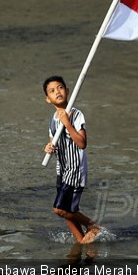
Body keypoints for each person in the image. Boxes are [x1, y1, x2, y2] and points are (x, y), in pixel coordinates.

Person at [43, 76, 100, 244]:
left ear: (67, 91)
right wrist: (48, 148)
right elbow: (53, 142)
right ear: (48, 99)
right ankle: (81, 241)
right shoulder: (53, 119)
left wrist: (67, 124)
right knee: (67, 210)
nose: (57, 92)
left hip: (75, 170)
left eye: (60, 88)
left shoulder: (76, 115)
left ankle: (94, 226)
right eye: (52, 91)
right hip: (62, 170)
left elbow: (82, 143)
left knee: (59, 209)